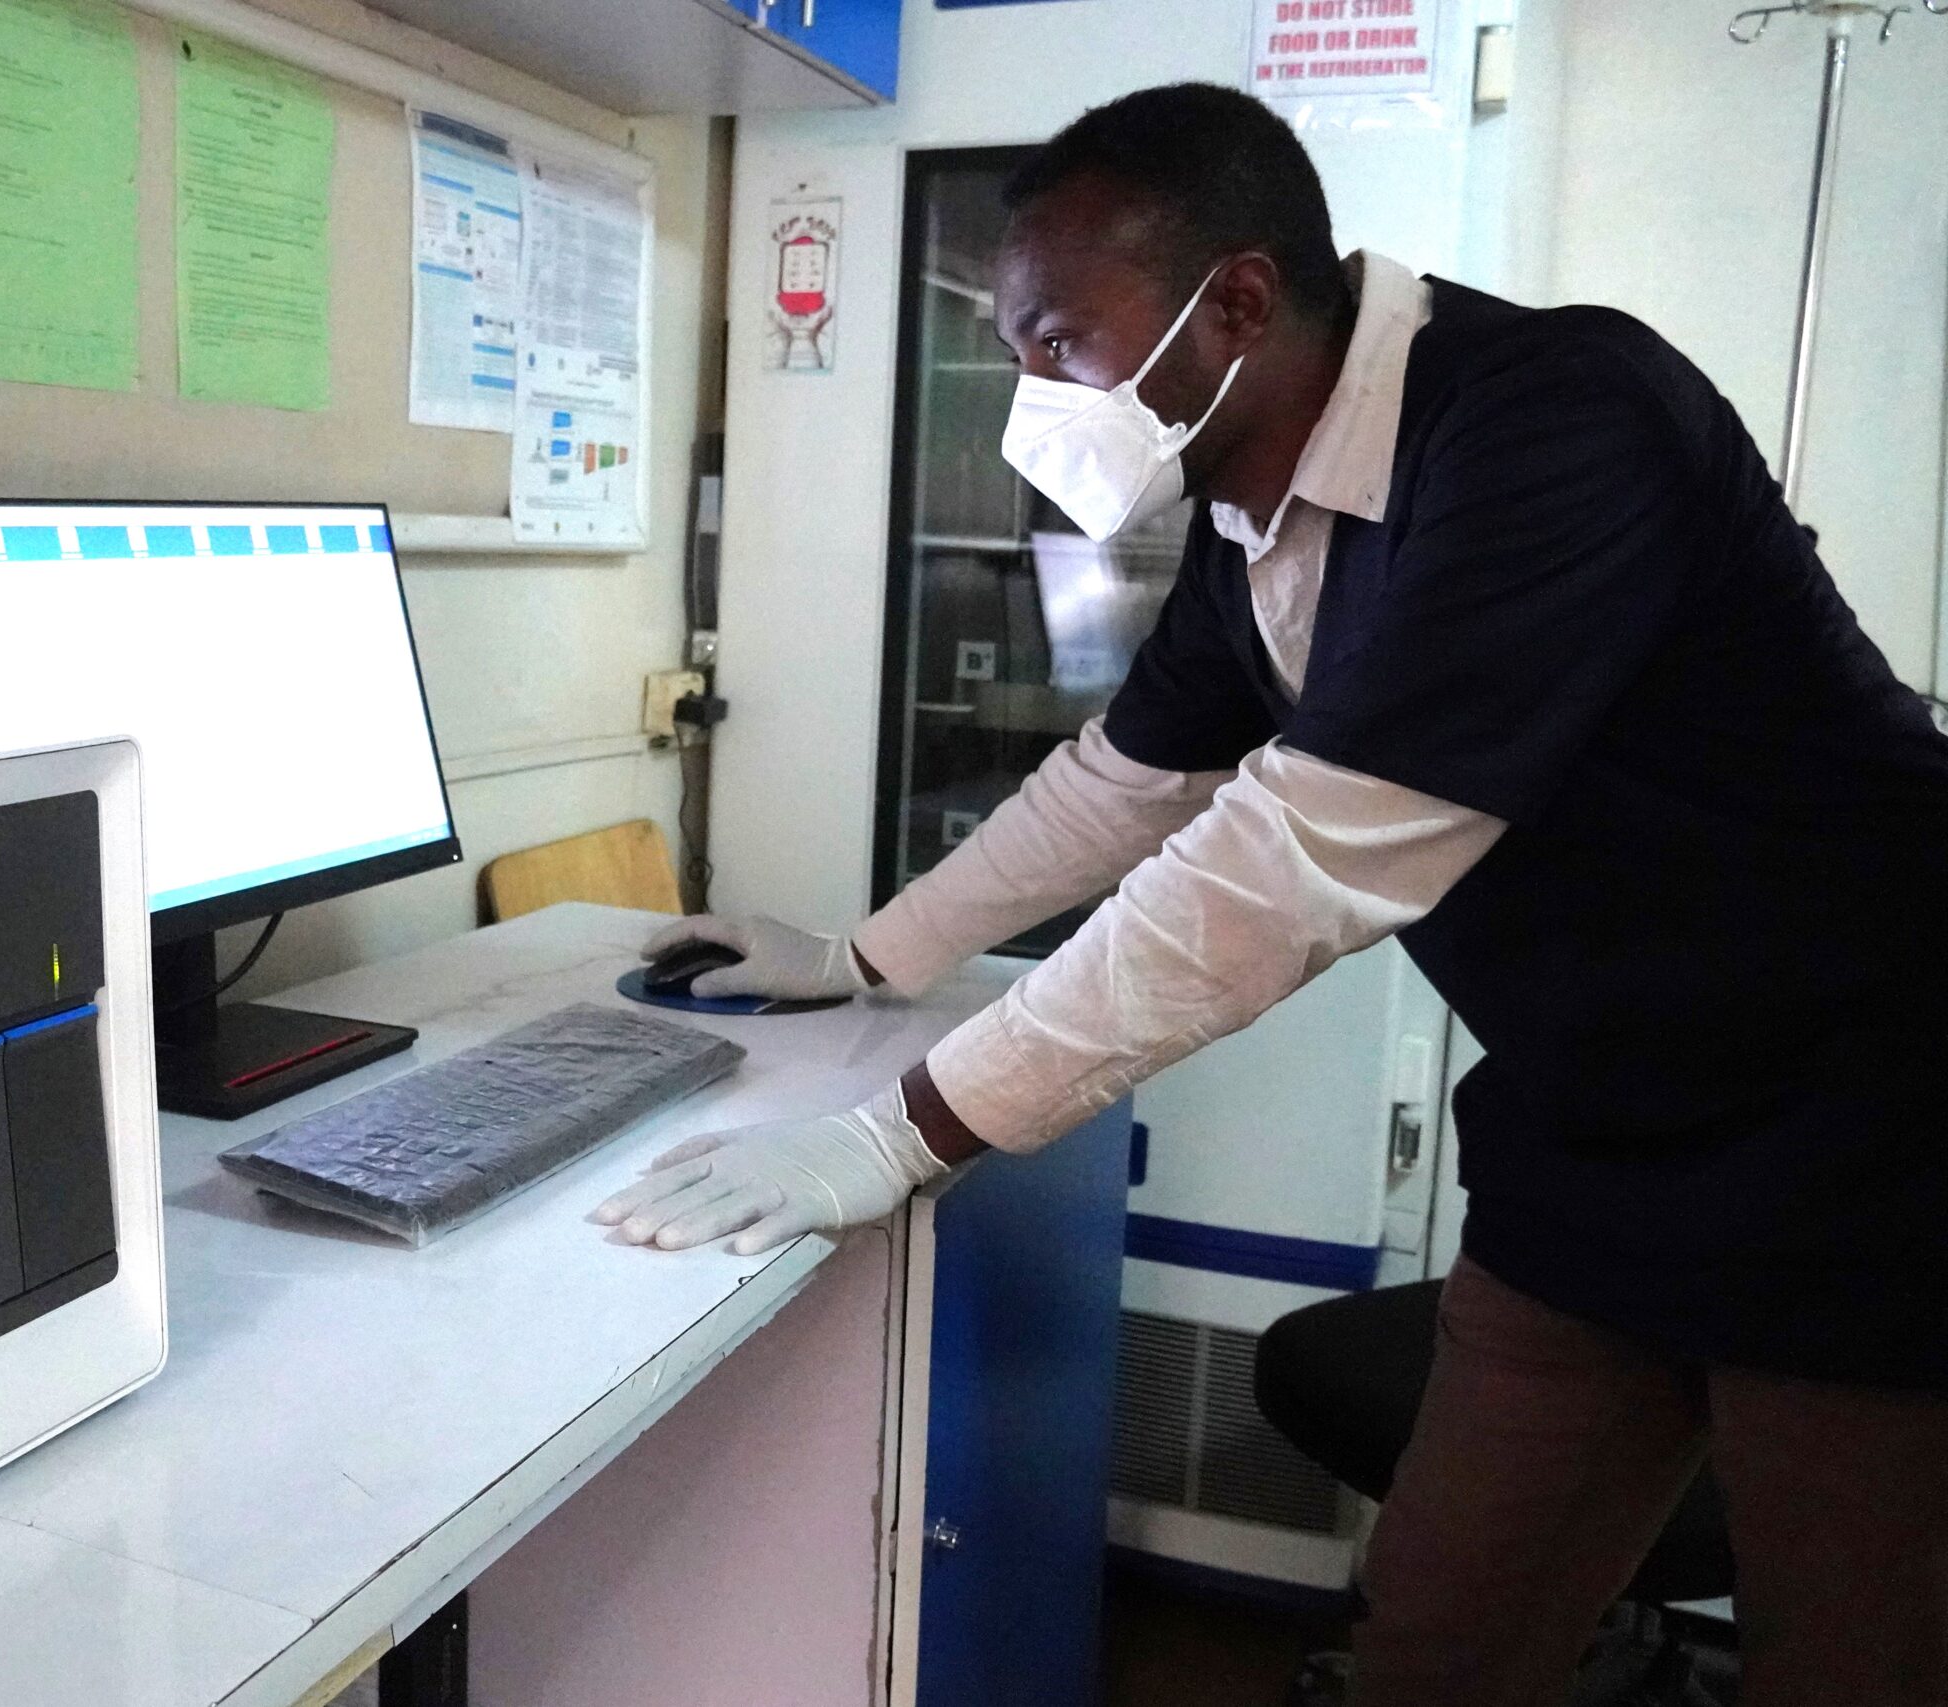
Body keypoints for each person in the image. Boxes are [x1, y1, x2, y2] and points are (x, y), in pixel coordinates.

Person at [592, 82, 1948, 1706]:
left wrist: (903, 1133)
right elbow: (1125, 778)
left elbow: (1297, 854)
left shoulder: (1554, 419)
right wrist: (867, 955)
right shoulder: (1259, 519)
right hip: (1601, 1142)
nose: (1034, 399)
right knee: (1439, 1646)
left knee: (1860, 1663)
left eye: (1059, 346)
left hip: (1875, 1134)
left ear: (1235, 298)